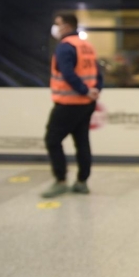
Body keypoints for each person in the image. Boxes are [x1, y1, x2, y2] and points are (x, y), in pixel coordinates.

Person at [42, 14, 102, 198]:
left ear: (67, 27)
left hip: (68, 104)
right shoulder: (86, 46)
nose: (55, 28)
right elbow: (98, 74)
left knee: (52, 140)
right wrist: (94, 90)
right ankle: (82, 182)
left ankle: (60, 180)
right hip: (87, 104)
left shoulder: (65, 47)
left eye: (57, 24)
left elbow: (68, 73)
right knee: (82, 141)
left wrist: (83, 90)